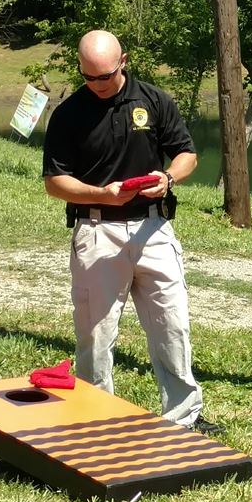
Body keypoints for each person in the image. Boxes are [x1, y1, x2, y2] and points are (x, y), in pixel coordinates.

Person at [40, 30, 212, 432]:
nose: (97, 84)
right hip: (97, 229)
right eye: (89, 77)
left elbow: (186, 154)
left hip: (153, 228)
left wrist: (168, 178)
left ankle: (184, 417)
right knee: (95, 333)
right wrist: (102, 194)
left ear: (124, 61)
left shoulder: (153, 100)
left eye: (105, 76)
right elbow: (54, 182)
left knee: (172, 323)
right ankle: (95, 417)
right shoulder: (69, 114)